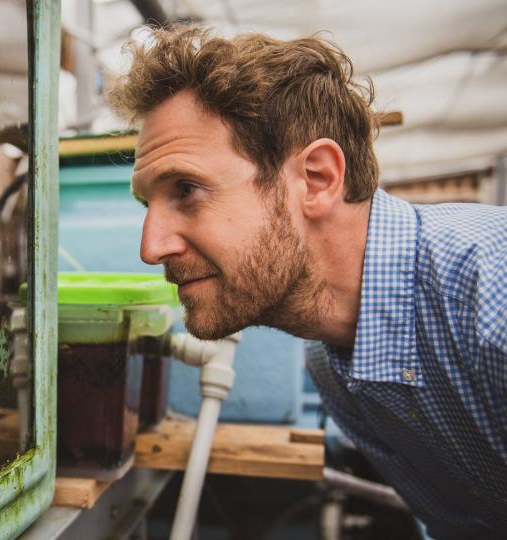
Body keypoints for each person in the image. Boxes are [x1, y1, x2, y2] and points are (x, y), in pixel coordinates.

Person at [110, 25, 507, 538]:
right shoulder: (334, 364)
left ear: (317, 179)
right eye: (148, 205)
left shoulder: (491, 294)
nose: (151, 246)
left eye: (186, 189)